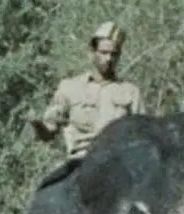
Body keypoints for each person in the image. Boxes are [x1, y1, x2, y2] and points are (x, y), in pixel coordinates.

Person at [29, 21, 143, 163]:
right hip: (79, 163)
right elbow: (49, 131)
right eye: (104, 52)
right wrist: (37, 125)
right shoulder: (69, 87)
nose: (109, 59)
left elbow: (141, 136)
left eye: (114, 54)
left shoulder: (130, 92)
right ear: (91, 53)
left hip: (117, 164)